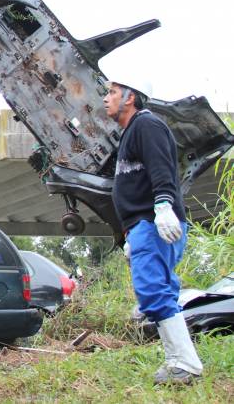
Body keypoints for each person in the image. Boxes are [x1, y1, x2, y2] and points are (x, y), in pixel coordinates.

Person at [103, 80, 203, 384]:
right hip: (143, 227)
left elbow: (162, 167)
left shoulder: (146, 126)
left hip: (152, 223)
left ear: (130, 97)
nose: (105, 99)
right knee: (161, 290)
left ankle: (185, 364)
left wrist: (162, 206)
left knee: (152, 292)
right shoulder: (131, 133)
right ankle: (178, 361)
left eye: (111, 93)